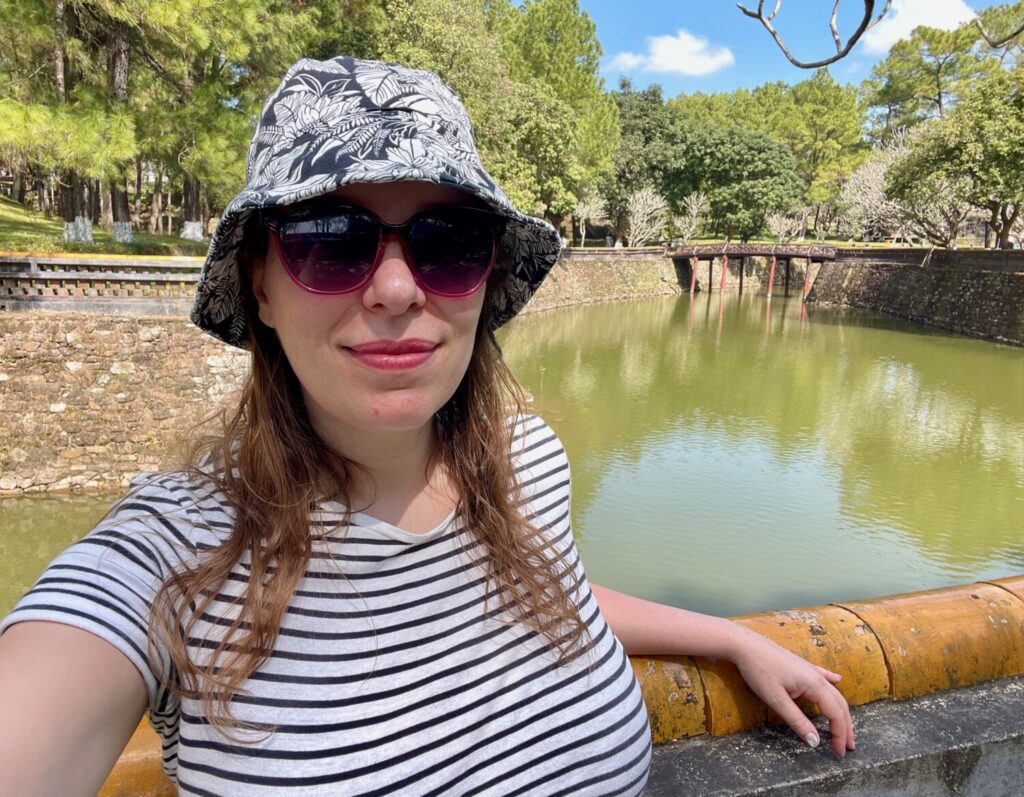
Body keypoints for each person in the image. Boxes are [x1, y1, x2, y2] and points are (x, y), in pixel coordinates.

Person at [0, 56, 853, 796]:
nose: (397, 288)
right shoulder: (175, 552)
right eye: (330, 239)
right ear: (261, 284)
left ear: (485, 277)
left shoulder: (527, 462)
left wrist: (728, 636)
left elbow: (541, 595)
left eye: (447, 241)